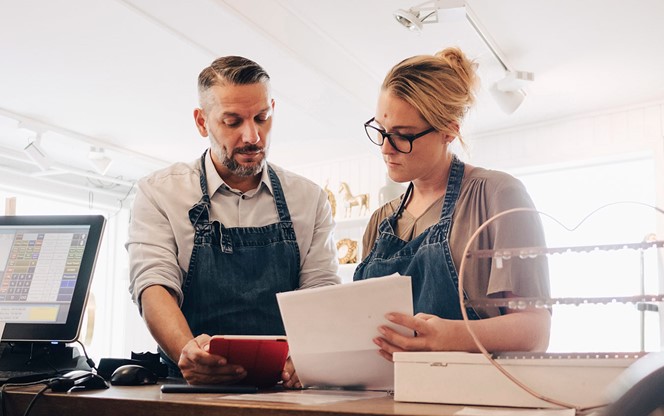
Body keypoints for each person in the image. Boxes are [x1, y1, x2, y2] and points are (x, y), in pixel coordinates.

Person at [126, 56, 340, 386]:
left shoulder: (309, 199)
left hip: (285, 389)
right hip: (190, 389)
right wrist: (188, 352)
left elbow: (320, 289)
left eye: (262, 118)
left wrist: (309, 353)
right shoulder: (159, 193)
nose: (253, 136)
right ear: (202, 122)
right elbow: (154, 286)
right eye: (233, 121)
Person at [354, 47, 551, 361]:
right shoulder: (381, 220)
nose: (386, 149)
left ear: (449, 131)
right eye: (381, 130)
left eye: (403, 136)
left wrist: (450, 336)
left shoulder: (497, 196)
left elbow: (535, 331)